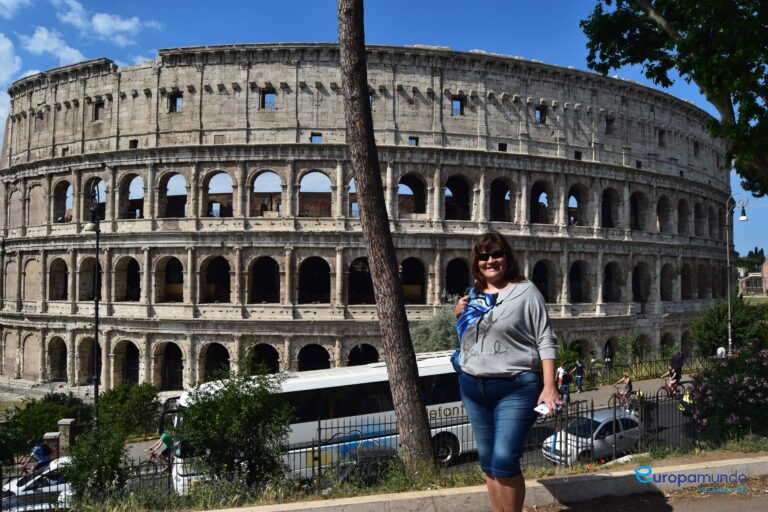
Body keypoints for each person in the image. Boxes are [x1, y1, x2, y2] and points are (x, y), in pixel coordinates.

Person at [454, 232, 558, 512]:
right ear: (476, 263)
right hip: (473, 387)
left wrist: (549, 387)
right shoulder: (474, 294)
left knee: (504, 461)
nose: (490, 261)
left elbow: (545, 338)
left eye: (496, 254)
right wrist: (459, 315)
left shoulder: (526, 292)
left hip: (515, 387)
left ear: (508, 258)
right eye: (483, 256)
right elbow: (473, 336)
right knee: (488, 462)